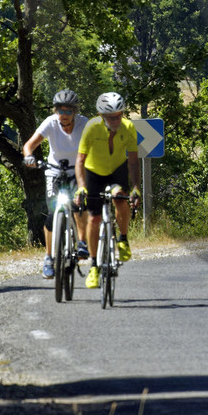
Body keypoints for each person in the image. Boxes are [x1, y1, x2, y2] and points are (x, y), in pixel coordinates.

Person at [76, 91, 142, 289]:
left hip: (117, 171)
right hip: (93, 172)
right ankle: (94, 267)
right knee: (94, 219)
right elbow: (79, 160)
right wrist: (81, 187)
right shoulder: (91, 127)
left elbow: (132, 162)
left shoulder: (128, 127)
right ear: (102, 115)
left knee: (121, 198)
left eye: (119, 115)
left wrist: (136, 188)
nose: (116, 120)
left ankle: (123, 239)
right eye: (112, 117)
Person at [22, 89, 88, 278]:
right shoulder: (50, 123)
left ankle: (82, 243)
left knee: (78, 205)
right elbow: (29, 145)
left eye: (69, 111)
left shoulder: (85, 124)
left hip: (77, 170)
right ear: (55, 111)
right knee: (52, 214)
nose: (64, 115)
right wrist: (29, 157)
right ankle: (49, 258)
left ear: (75, 112)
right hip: (54, 172)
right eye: (60, 111)